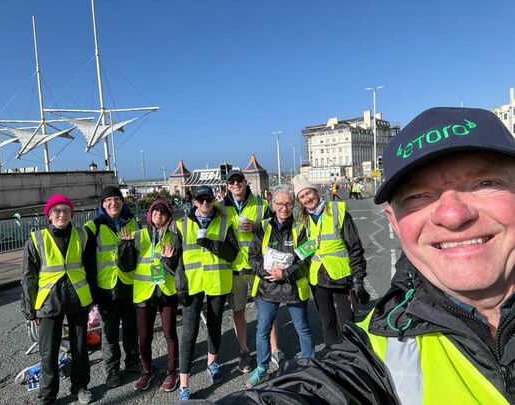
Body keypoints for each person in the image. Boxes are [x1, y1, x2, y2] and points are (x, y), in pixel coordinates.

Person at [215, 106, 515, 404]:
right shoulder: (386, 337)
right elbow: (328, 385)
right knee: (327, 328)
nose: (452, 214)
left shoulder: (331, 213)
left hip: (332, 280)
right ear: (393, 222)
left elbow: (351, 247)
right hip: (298, 284)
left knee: (318, 327)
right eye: (418, 196)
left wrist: (356, 279)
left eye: (484, 183)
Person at [21, 194, 95, 404]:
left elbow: (90, 268)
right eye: (56, 211)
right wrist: (30, 310)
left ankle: (80, 387)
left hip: (78, 297)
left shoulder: (82, 235)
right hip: (48, 301)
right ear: (49, 216)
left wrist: (92, 297)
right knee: (48, 351)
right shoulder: (36, 239)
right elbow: (28, 277)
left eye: (65, 211)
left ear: (72, 214)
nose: (61, 214)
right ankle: (48, 394)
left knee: (80, 348)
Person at [245, 185, 314, 388]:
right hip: (268, 286)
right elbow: (253, 255)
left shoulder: (301, 226)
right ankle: (262, 367)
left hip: (292, 286)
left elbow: (305, 254)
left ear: (293, 205)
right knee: (263, 328)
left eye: (289, 203)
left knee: (303, 328)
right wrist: (266, 272)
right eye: (280, 203)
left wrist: (285, 273)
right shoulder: (263, 226)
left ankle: (309, 366)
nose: (284, 208)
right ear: (272, 205)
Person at [175, 185, 239, 401]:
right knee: (188, 333)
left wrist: (212, 244)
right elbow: (174, 260)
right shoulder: (181, 225)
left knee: (214, 325)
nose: (204, 204)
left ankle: (212, 363)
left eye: (208, 200)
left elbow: (232, 253)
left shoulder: (225, 222)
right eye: (200, 200)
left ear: (214, 200)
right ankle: (184, 384)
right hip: (192, 286)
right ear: (194, 202)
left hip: (217, 282)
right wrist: (179, 286)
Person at [293, 173, 368, 346]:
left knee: (347, 323)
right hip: (318, 280)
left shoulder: (337, 210)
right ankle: (332, 358)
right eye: (302, 197)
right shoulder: (302, 221)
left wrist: (358, 278)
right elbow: (303, 252)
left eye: (308, 193)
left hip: (341, 277)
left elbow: (355, 247)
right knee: (327, 322)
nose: (307, 199)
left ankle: (353, 358)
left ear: (315, 191)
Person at [218, 170, 280, 373]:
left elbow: (276, 228)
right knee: (238, 312)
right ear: (227, 186)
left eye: (239, 180)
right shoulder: (221, 208)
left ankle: (274, 350)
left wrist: (257, 226)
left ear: (246, 183)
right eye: (231, 182)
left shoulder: (261, 204)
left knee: (267, 310)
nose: (236, 184)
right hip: (234, 267)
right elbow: (200, 215)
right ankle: (244, 351)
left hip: (258, 266)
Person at [118, 198, 180, 392]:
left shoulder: (173, 237)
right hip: (144, 291)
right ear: (150, 215)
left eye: (163, 213)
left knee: (169, 332)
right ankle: (147, 371)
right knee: (144, 336)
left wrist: (169, 261)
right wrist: (125, 246)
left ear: (169, 217)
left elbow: (175, 266)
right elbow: (126, 266)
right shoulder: (139, 235)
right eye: (155, 213)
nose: (158, 216)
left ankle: (172, 372)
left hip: (166, 290)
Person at [84, 185, 140, 389]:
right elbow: (88, 262)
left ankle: (133, 362)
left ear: (122, 201)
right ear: (102, 204)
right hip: (106, 287)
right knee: (109, 333)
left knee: (131, 328)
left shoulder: (133, 221)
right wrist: (91, 291)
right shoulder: (94, 226)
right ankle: (112, 371)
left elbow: (141, 252)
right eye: (108, 200)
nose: (113, 203)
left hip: (130, 283)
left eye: (117, 199)